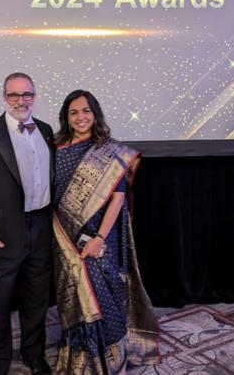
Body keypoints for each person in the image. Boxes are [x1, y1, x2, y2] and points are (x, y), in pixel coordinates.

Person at [51, 89, 160, 374]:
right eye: (73, 112)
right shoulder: (55, 148)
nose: (80, 117)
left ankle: (110, 361)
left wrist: (99, 238)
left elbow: (117, 198)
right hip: (64, 237)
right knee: (74, 296)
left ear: (95, 114)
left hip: (102, 234)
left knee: (106, 294)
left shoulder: (110, 151)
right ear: (66, 117)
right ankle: (80, 360)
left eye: (86, 111)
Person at [0, 72, 53, 375]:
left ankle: (33, 354)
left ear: (34, 96)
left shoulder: (45, 130)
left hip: (41, 227)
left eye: (26, 94)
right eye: (14, 95)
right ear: (4, 97)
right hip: (2, 235)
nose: (21, 100)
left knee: (37, 299)